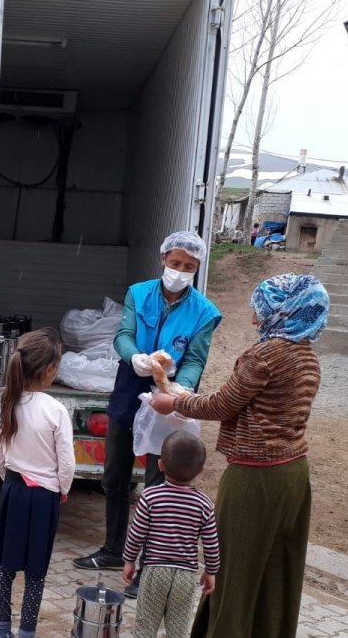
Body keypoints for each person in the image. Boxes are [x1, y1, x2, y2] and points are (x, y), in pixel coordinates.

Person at [151, 273, 329, 638]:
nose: (253, 315)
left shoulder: (265, 354)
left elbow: (222, 404)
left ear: (283, 310)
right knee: (277, 573)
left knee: (234, 572)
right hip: (294, 475)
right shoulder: (308, 356)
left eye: (260, 307)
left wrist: (173, 402)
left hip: (255, 476)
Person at [74, 231, 222, 599]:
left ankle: (147, 568)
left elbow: (196, 358)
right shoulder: (139, 293)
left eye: (189, 267)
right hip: (129, 388)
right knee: (115, 475)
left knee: (160, 484)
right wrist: (134, 357)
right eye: (175, 264)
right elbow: (123, 334)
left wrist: (181, 388)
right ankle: (113, 549)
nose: (180, 271)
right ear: (163, 259)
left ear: (198, 267)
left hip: (171, 399)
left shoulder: (204, 311)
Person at [0, 328, 75, 638]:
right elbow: (66, 463)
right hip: (44, 499)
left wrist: (11, 483)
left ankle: (2, 632)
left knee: (5, 568)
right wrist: (62, 489)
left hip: (12, 492)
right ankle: (26, 633)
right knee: (35, 572)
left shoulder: (3, 406)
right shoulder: (56, 411)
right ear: (49, 370)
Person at [122, 431, 220, 638]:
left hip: (155, 571)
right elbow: (211, 543)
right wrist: (211, 571)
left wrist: (129, 560)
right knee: (178, 630)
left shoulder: (150, 497)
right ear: (200, 470)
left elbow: (136, 534)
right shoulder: (204, 504)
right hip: (185, 575)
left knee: (145, 627)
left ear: (160, 465)